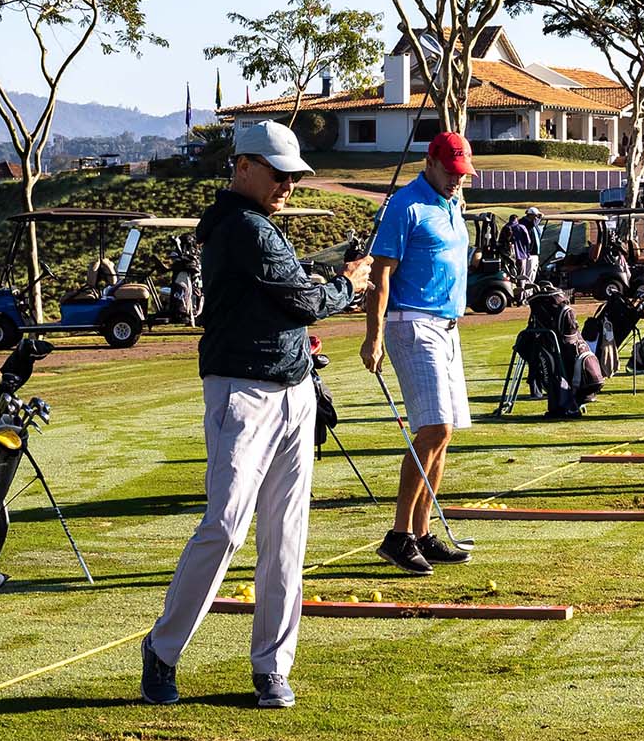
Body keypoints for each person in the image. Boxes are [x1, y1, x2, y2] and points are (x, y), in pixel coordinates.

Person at [142, 121, 373, 708]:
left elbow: (290, 298)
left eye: (294, 176)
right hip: (242, 395)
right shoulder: (243, 227)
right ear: (243, 167)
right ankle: (163, 651)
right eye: (279, 173)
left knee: (286, 537)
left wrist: (331, 284)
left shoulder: (255, 226)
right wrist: (347, 284)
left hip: (292, 390)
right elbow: (301, 301)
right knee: (225, 527)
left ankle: (272, 666)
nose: (288, 185)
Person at [363, 132, 476, 575]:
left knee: (445, 434)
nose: (455, 181)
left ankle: (424, 534)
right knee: (433, 427)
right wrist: (372, 337)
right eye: (450, 173)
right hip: (412, 324)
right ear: (429, 163)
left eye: (462, 175)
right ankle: (398, 536)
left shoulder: (452, 203)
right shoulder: (404, 206)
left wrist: (457, 196)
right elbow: (381, 274)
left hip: (447, 328)